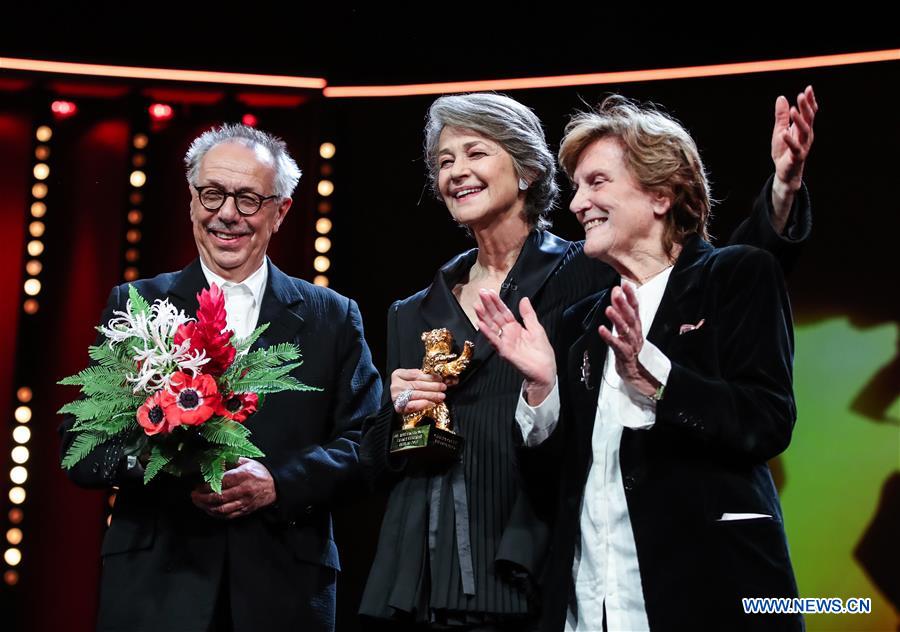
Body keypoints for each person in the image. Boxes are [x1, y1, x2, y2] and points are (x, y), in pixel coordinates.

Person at [359, 88, 815, 630]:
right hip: (531, 587)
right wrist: (532, 391)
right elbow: (554, 467)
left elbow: (719, 288)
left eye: (475, 152)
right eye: (444, 161)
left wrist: (782, 193)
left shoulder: (628, 274)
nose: (578, 204)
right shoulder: (550, 320)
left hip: (638, 580)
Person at [60, 124, 381, 631]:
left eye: (249, 199)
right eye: (212, 194)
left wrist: (279, 483)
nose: (227, 213)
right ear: (192, 201)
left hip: (283, 591)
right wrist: (171, 464)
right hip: (156, 585)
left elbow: (367, 444)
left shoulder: (333, 317)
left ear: (281, 211)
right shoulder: (137, 305)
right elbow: (81, 447)